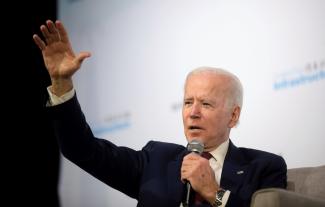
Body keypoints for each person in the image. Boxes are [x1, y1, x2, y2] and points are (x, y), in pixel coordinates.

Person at [33, 20, 287, 207]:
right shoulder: (156, 160)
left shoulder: (264, 167)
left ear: (233, 116)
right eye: (188, 102)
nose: (193, 113)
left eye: (206, 104)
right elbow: (82, 150)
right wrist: (61, 84)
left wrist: (214, 193)